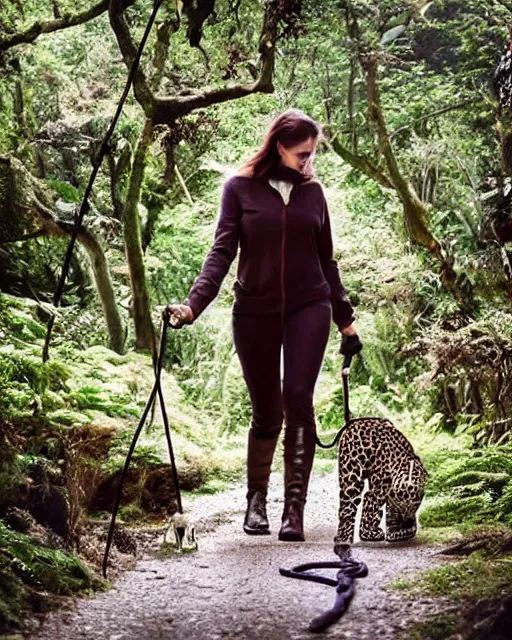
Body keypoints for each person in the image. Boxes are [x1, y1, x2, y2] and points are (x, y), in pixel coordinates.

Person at [167, 109, 362, 542]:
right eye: (302, 154)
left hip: (309, 306)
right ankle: (257, 500)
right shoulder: (239, 189)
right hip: (253, 309)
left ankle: (295, 510)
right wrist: (192, 306)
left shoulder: (315, 195)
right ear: (279, 146)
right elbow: (221, 253)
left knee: (298, 397)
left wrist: (345, 321)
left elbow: (327, 261)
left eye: (313, 154)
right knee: (266, 409)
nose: (309, 162)